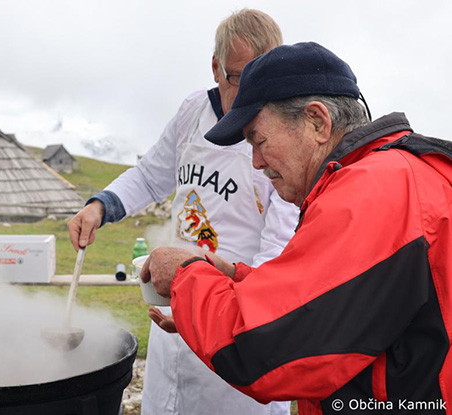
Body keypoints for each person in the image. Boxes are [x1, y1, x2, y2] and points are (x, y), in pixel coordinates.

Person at [142, 41, 452, 414]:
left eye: (258, 140)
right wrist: (236, 277)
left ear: (317, 122)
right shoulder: (397, 174)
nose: (256, 162)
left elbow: (267, 349)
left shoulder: (372, 191)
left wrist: (185, 276)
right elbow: (329, 303)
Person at [67, 9, 298, 415]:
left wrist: (223, 315)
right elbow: (149, 176)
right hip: (172, 308)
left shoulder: (279, 136)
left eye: (263, 81)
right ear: (215, 67)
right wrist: (101, 205)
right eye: (239, 78)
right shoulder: (193, 111)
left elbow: (277, 252)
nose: (251, 95)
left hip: (236, 326)